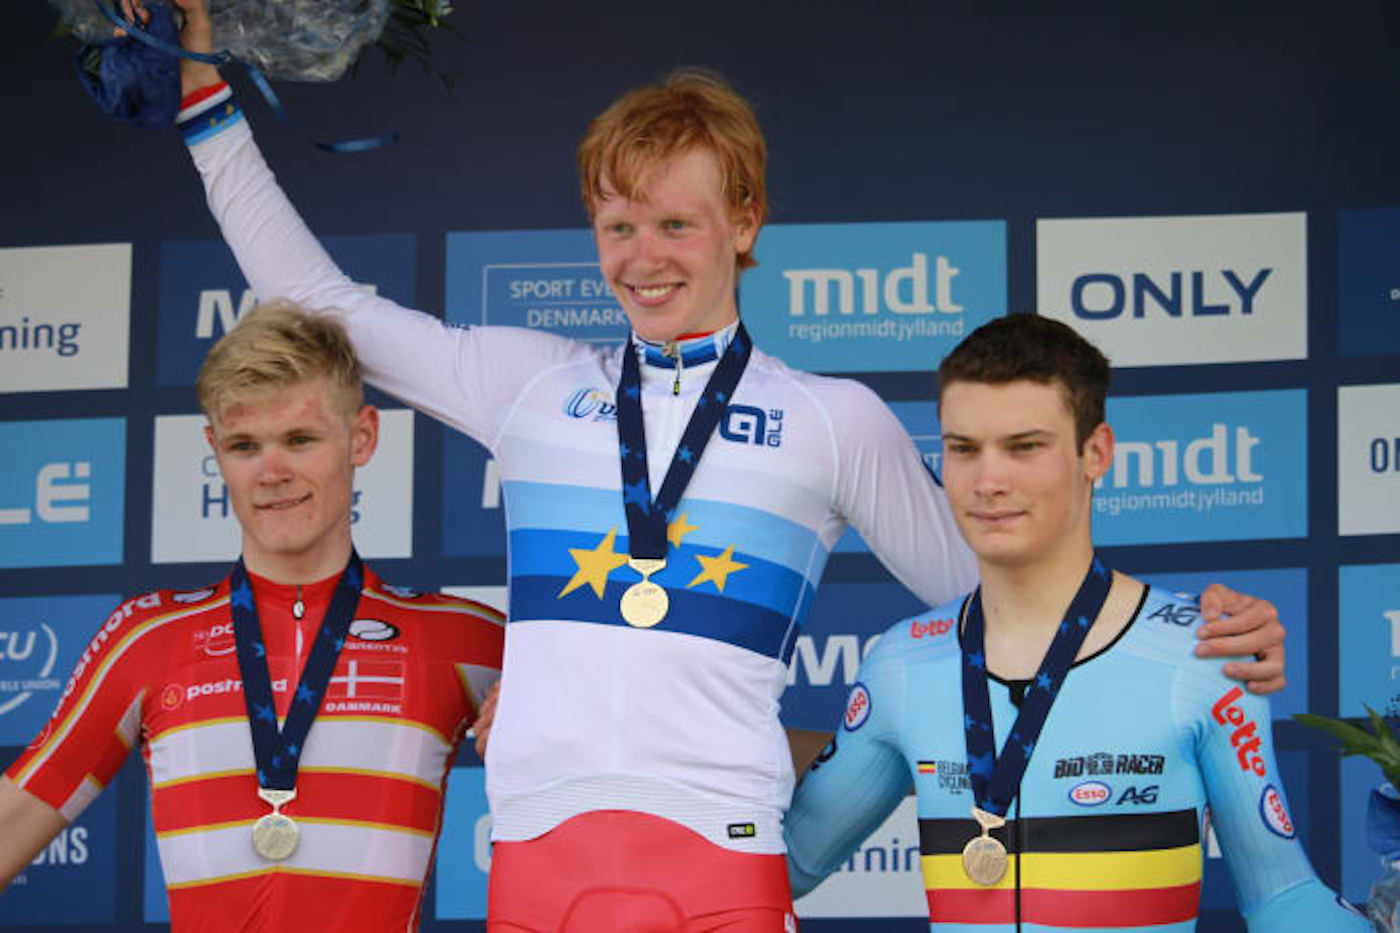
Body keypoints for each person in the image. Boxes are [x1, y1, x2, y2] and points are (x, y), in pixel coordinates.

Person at [140, 2, 1285, 926]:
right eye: (616, 227)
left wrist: (1187, 632)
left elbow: (999, 599)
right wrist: (205, 101)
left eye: (674, 225)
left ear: (743, 221)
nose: (642, 258)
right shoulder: (528, 385)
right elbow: (317, 299)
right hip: (533, 854)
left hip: (723, 853)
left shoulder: (828, 419)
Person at [783, 315, 1366, 931]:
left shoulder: (1201, 654)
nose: (988, 482)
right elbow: (789, 865)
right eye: (963, 449)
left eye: (1024, 447)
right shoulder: (903, 663)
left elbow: (1284, 898)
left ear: (1096, 453)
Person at [0, 301, 504, 930]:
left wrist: (546, 723)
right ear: (213, 449)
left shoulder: (462, 637)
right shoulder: (147, 637)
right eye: (245, 446)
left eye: (300, 440)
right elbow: (13, 821)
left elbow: (608, 771)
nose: (271, 472)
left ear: (362, 437)